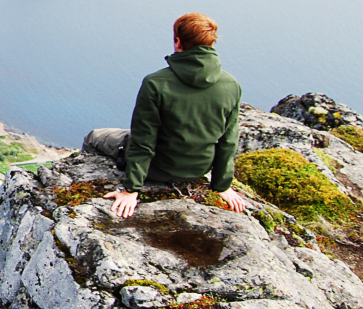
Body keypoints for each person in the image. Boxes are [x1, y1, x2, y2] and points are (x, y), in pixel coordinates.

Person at [86, 12, 247, 218]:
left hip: (157, 169)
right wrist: (222, 185)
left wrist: (131, 190)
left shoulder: (156, 83)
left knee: (94, 136)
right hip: (198, 169)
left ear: (178, 42)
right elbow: (228, 140)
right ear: (211, 43)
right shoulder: (231, 85)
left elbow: (143, 140)